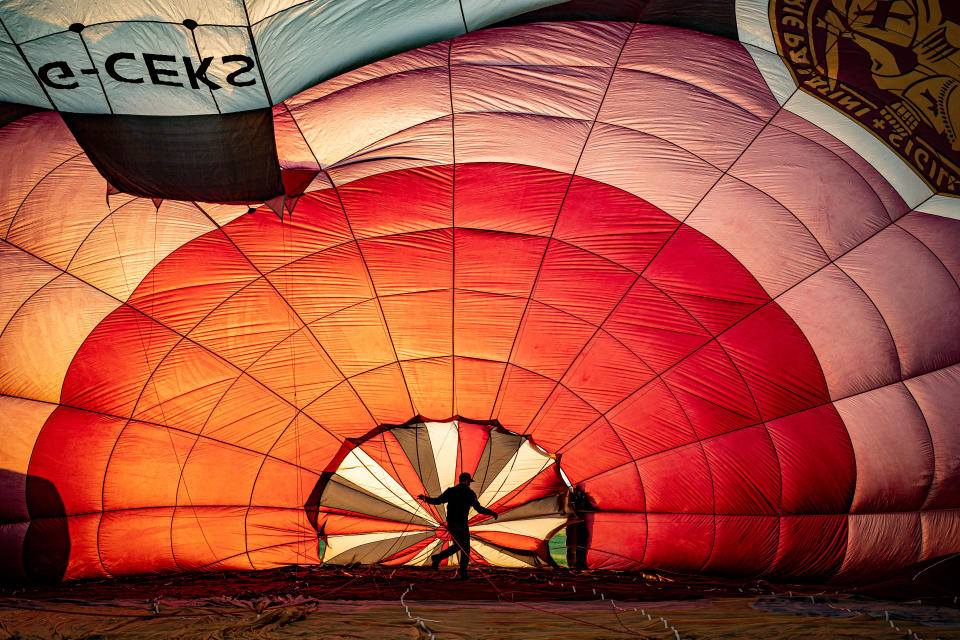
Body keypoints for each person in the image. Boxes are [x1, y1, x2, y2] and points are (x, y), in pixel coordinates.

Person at [418, 472, 497, 579]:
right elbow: (479, 509)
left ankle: (437, 558)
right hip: (462, 524)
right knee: (465, 548)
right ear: (467, 481)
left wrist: (425, 499)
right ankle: (462, 572)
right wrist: (491, 512)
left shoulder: (451, 491)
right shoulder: (470, 493)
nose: (469, 483)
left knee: (458, 546)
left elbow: (438, 501)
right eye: (469, 481)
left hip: (451, 523)